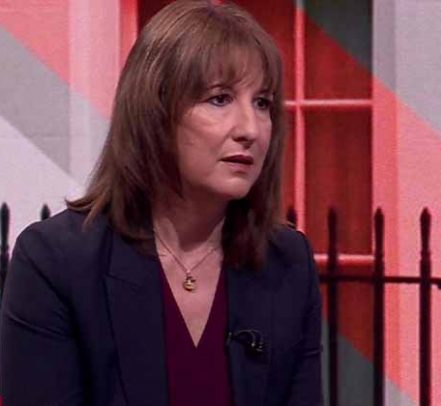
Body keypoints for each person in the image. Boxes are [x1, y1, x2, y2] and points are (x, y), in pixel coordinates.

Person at [0, 1, 322, 405]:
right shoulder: (56, 262)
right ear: (155, 112)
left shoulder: (288, 263)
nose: (251, 129)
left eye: (262, 103)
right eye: (220, 99)